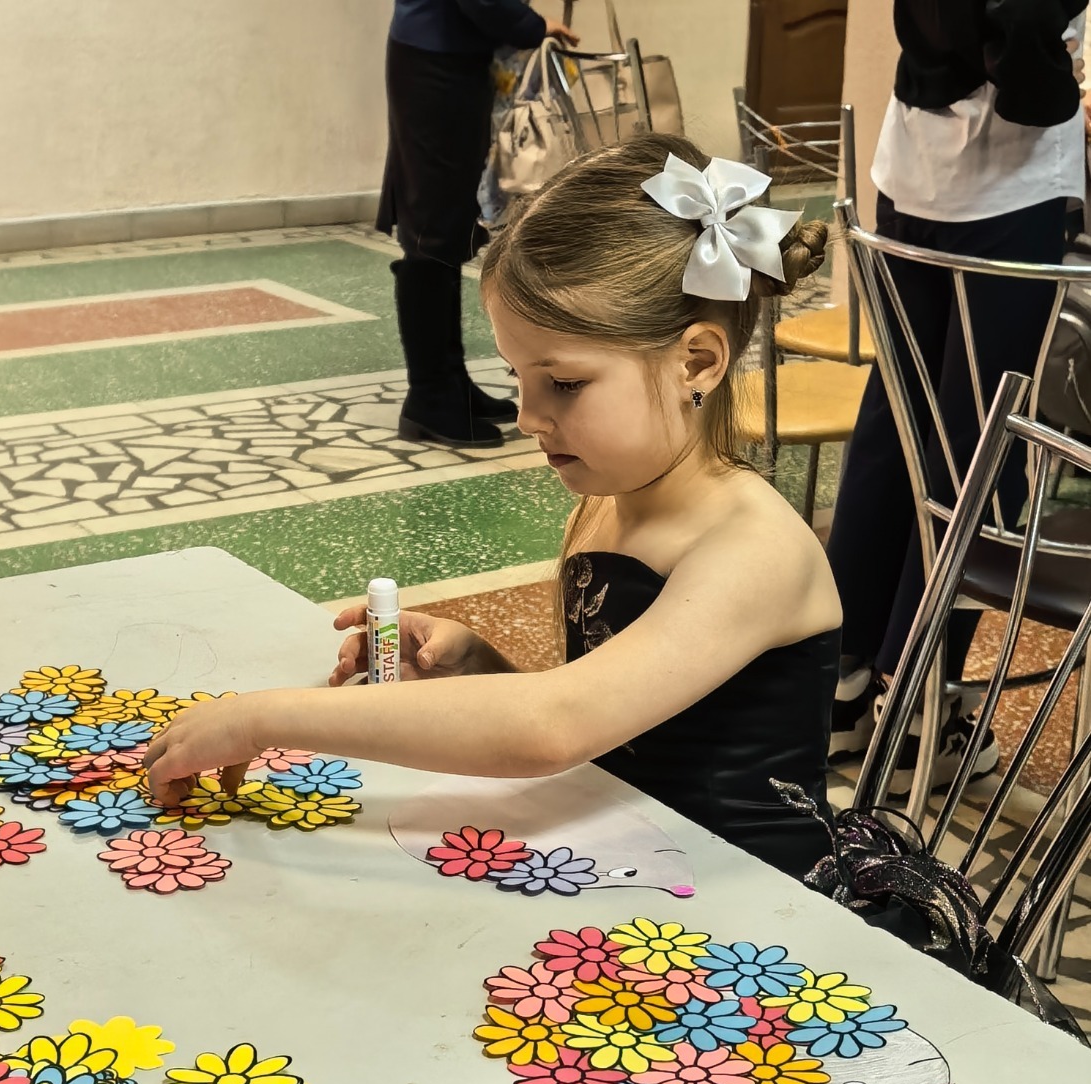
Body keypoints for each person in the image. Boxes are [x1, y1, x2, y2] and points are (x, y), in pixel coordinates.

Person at [145, 136, 841, 882]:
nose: (527, 416)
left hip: (758, 894)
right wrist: (478, 668)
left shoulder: (751, 549)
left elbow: (556, 726)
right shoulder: (608, 503)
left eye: (563, 383)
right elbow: (615, 722)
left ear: (695, 362)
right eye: (516, 376)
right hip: (640, 855)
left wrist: (263, 717)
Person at [827, 0, 1087, 791]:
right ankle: (916, 716)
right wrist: (1058, 83)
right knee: (976, 452)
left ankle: (837, 684)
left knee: (897, 426)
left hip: (911, 162)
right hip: (1006, 182)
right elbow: (1025, 37)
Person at [379, 0, 580, 450]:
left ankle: (450, 381)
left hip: (452, 58)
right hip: (435, 61)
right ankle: (429, 397)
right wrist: (530, 24)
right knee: (431, 229)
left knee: (450, 224)